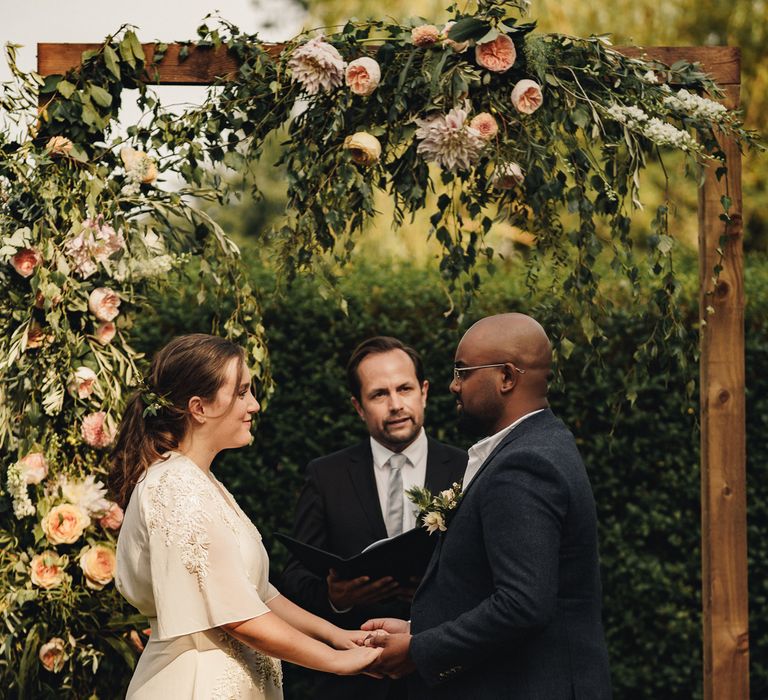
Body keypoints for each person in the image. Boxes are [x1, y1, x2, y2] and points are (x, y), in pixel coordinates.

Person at [110, 334, 381, 699]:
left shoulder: (201, 482)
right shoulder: (175, 487)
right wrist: (336, 661)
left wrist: (336, 635)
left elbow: (259, 594)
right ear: (199, 407)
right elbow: (237, 615)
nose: (253, 405)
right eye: (241, 393)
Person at [361, 313, 613, 699]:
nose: (453, 385)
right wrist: (419, 628)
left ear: (507, 378)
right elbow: (483, 588)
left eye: (463, 372)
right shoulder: (539, 442)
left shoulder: (525, 464)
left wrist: (419, 650)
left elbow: (522, 604)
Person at [280, 336, 467, 699]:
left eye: (405, 389)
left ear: (424, 392)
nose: (396, 404)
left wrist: (439, 595)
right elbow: (293, 578)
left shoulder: (467, 468)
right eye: (379, 394)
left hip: (446, 678)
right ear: (358, 406)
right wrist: (336, 597)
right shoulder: (325, 476)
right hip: (353, 683)